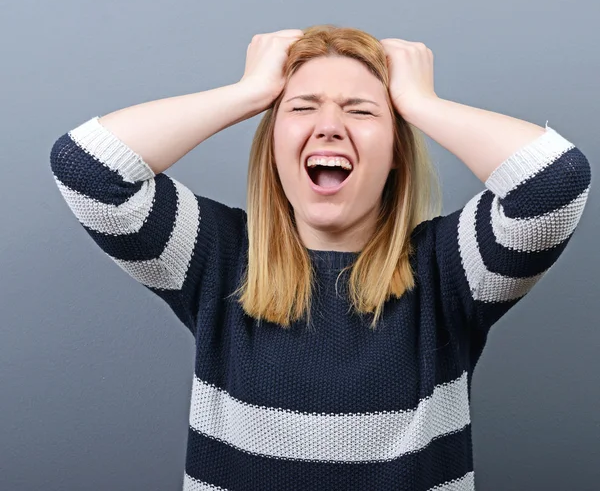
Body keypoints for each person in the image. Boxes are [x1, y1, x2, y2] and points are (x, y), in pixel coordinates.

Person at [49, 25, 592, 490]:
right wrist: (248, 91)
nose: (329, 125)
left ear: (398, 151)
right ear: (273, 144)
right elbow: (87, 169)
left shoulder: (450, 269)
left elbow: (554, 183)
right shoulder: (216, 256)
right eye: (302, 108)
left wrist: (423, 105)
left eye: (361, 111)